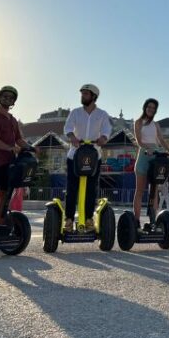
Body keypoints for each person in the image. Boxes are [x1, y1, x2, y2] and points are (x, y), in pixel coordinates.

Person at [63, 84, 112, 232]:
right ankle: (69, 219)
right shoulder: (75, 113)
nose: (82, 96)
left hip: (93, 156)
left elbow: (106, 130)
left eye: (85, 94)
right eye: (82, 94)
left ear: (93, 97)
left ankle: (89, 219)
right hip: (74, 156)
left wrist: (103, 138)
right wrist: (72, 137)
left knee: (91, 189)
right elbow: (68, 128)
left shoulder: (102, 114)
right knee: (72, 189)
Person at [0, 86, 27, 225]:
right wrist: (9, 148)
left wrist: (31, 147)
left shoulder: (13, 120)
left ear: (13, 101)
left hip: (10, 163)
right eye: (5, 96)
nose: (7, 99)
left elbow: (19, 140)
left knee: (4, 193)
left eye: (11, 98)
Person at [132, 98, 169, 228]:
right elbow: (138, 141)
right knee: (139, 190)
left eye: (153, 108)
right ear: (145, 108)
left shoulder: (156, 124)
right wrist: (147, 148)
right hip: (144, 155)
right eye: (149, 107)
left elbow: (161, 139)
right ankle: (136, 220)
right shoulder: (139, 122)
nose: (151, 109)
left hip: (155, 157)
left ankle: (153, 220)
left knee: (154, 190)